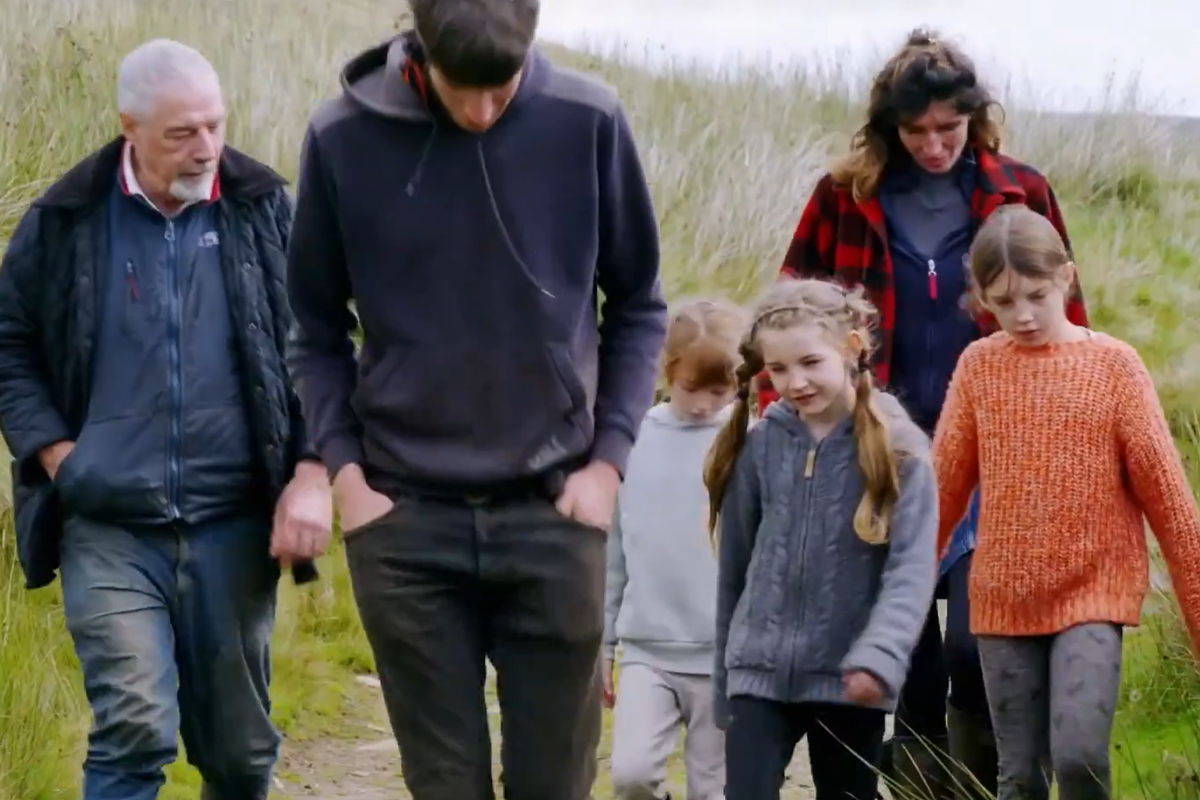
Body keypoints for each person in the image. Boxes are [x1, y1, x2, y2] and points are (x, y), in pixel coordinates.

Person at [283, 0, 668, 797]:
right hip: (404, 516)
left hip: (554, 509)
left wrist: (608, 467)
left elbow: (637, 305)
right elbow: (314, 328)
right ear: (420, 50)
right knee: (445, 783)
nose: (484, 112)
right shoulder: (341, 137)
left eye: (505, 87)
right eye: (466, 91)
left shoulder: (588, 119)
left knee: (553, 784)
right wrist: (348, 477)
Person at [755, 28, 1089, 798]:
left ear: (976, 117)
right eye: (916, 131)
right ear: (888, 128)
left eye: (951, 127)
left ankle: (977, 777)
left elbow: (1070, 320)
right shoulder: (844, 199)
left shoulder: (1020, 194)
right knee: (906, 651)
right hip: (876, 456)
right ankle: (919, 782)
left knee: (976, 648)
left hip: (996, 458)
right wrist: (777, 425)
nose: (935, 145)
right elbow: (787, 313)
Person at [0, 39, 331, 800]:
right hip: (108, 524)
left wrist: (312, 470)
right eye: (182, 132)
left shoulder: (264, 209)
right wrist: (57, 455)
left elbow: (318, 345)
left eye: (214, 125)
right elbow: (10, 345)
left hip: (234, 525)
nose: (206, 147)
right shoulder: (65, 219)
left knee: (241, 759)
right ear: (130, 128)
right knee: (135, 728)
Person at [932, 204, 1200, 800]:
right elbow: (939, 499)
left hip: (1092, 592)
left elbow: (1172, 506)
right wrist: (891, 615)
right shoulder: (979, 368)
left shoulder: (1114, 366)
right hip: (1003, 600)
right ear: (981, 298)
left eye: (1036, 295)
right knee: (1019, 777)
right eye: (1003, 302)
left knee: (1079, 758)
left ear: (1066, 278)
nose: (1022, 315)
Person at [706, 277, 938, 800]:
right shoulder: (763, 443)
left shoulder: (900, 450)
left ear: (852, 349)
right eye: (780, 369)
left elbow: (911, 571)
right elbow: (735, 568)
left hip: (849, 679)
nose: (795, 382)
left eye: (811, 363)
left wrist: (879, 656)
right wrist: (726, 674)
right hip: (758, 673)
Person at [603, 298, 745, 800]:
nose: (705, 403)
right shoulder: (634, 437)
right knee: (631, 774)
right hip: (646, 650)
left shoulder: (747, 438)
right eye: (691, 388)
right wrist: (604, 643)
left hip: (722, 657)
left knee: (713, 788)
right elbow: (616, 546)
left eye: (719, 389)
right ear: (667, 371)